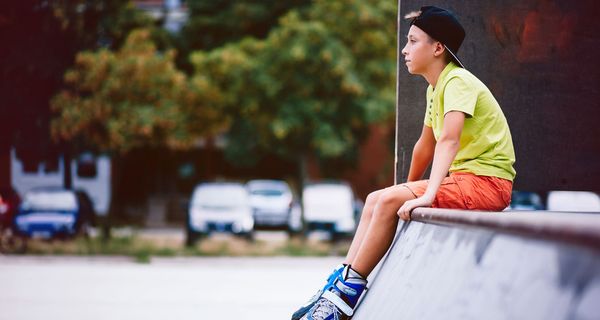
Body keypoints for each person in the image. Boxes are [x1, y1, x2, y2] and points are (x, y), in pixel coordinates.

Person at [292, 5, 516, 320]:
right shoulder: (436, 88)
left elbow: (449, 140)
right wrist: (407, 186)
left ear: (438, 48)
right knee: (376, 198)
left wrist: (424, 195)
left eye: (412, 41)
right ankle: (340, 282)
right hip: (467, 181)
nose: (404, 49)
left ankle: (343, 300)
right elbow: (425, 144)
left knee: (388, 200)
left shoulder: (458, 82)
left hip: (487, 184)